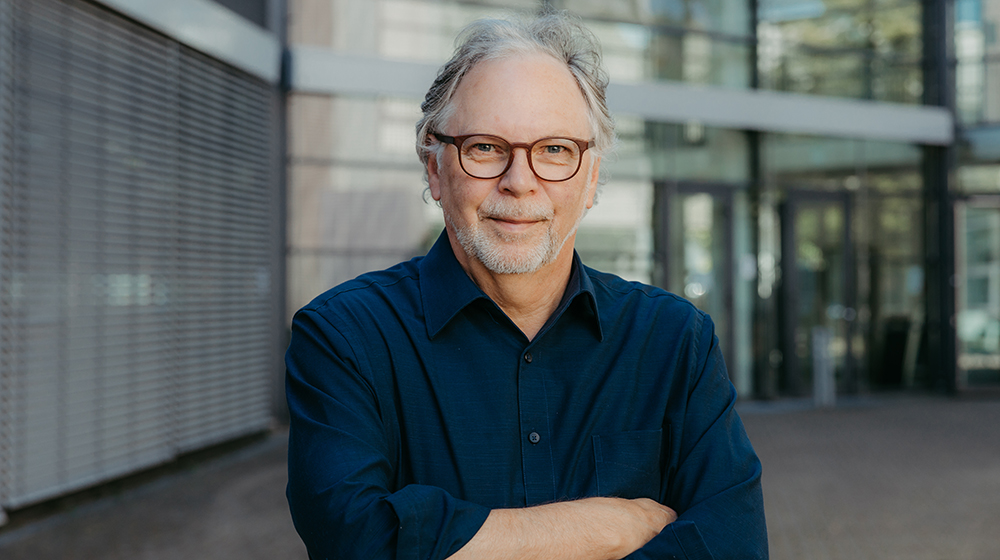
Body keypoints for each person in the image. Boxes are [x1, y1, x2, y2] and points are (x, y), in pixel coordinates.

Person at [285, 9, 767, 560]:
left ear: (591, 181)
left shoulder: (675, 341)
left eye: (555, 150)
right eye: (486, 147)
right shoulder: (344, 340)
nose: (520, 182)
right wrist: (597, 529)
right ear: (435, 169)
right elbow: (357, 541)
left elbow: (736, 544)